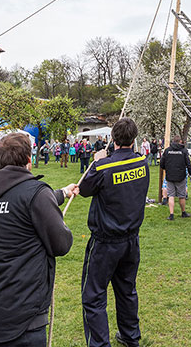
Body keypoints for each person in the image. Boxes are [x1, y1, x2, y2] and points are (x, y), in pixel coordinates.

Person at [0, 132, 77, 347]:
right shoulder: (35, 193)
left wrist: (62, 193)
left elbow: (21, 204)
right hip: (23, 315)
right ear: (28, 162)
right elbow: (62, 243)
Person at [79, 117, 149, 347]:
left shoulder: (103, 166)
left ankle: (101, 344)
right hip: (130, 240)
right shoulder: (142, 163)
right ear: (134, 139)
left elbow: (84, 189)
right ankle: (130, 337)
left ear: (113, 140)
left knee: (94, 296)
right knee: (127, 290)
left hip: (106, 241)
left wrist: (96, 161)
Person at [160, 136, 191, 220]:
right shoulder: (184, 151)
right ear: (180, 141)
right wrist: (190, 173)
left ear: (173, 141)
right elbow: (188, 163)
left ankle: (171, 214)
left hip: (170, 175)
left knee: (171, 195)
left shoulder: (167, 150)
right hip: (181, 176)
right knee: (182, 196)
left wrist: (166, 168)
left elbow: (162, 162)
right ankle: (183, 212)